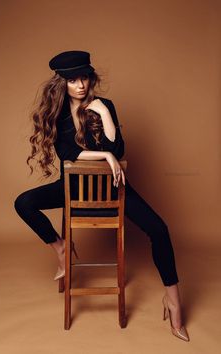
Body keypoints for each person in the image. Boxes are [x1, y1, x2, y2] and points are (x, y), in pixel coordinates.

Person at [14, 50, 190, 341]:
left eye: (84, 77)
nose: (81, 85)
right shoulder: (56, 114)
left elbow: (118, 148)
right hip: (72, 189)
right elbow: (68, 154)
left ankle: (174, 302)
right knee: (24, 203)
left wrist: (105, 115)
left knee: (160, 230)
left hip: (112, 187)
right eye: (73, 80)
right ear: (62, 83)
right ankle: (61, 249)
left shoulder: (105, 105)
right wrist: (104, 154)